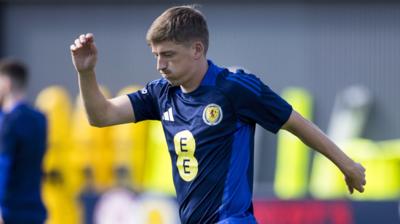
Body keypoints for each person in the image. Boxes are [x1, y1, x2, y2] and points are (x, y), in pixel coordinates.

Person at [70, 5, 366, 224]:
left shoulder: (235, 88)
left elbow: (295, 122)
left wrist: (347, 165)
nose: (160, 65)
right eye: (156, 56)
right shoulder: (161, 93)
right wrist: (86, 72)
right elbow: (102, 116)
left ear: (197, 49)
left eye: (168, 55)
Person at [0, 59, 47, 224]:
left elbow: (3, 164)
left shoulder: (7, 120)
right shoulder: (40, 119)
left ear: (7, 83)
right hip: (35, 210)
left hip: (9, 211)